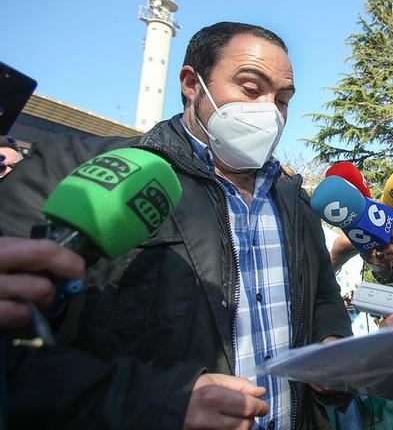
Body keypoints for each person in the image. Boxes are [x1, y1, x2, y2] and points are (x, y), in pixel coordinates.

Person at [0, 22, 352, 430]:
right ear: (191, 83)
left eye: (283, 100)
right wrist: (155, 403)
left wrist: (332, 344)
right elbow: (16, 358)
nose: (270, 111)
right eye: (251, 89)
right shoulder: (82, 172)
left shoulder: (296, 202)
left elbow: (323, 298)